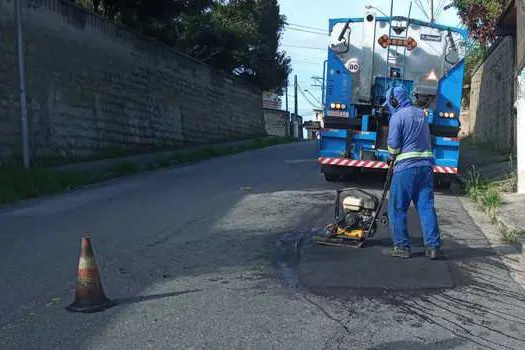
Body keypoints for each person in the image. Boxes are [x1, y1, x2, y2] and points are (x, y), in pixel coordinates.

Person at [382, 86, 442, 260]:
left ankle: (401, 247)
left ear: (394, 101)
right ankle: (432, 247)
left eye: (390, 103)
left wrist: (391, 156)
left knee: (397, 208)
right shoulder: (420, 114)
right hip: (426, 168)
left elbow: (393, 145)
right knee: (425, 207)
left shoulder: (397, 117)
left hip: (406, 168)